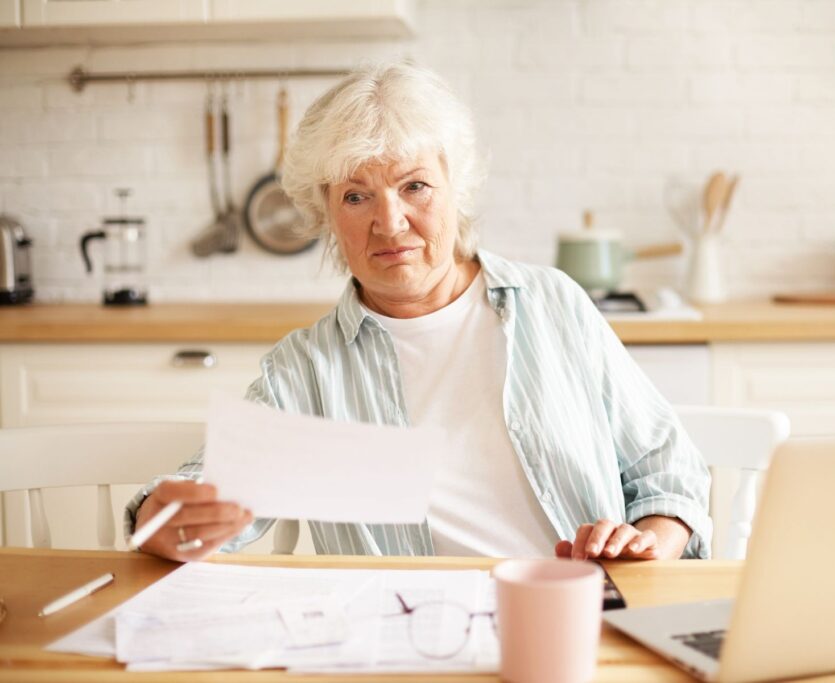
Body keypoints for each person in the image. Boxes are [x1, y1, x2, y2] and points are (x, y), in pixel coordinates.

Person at [126, 62, 711, 563]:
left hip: (577, 611)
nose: (390, 222)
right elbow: (197, 501)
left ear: (456, 187)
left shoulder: (551, 304)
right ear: (325, 211)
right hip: (405, 640)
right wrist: (166, 517)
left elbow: (670, 473)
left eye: (414, 187)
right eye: (356, 196)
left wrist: (647, 543)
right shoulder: (305, 369)